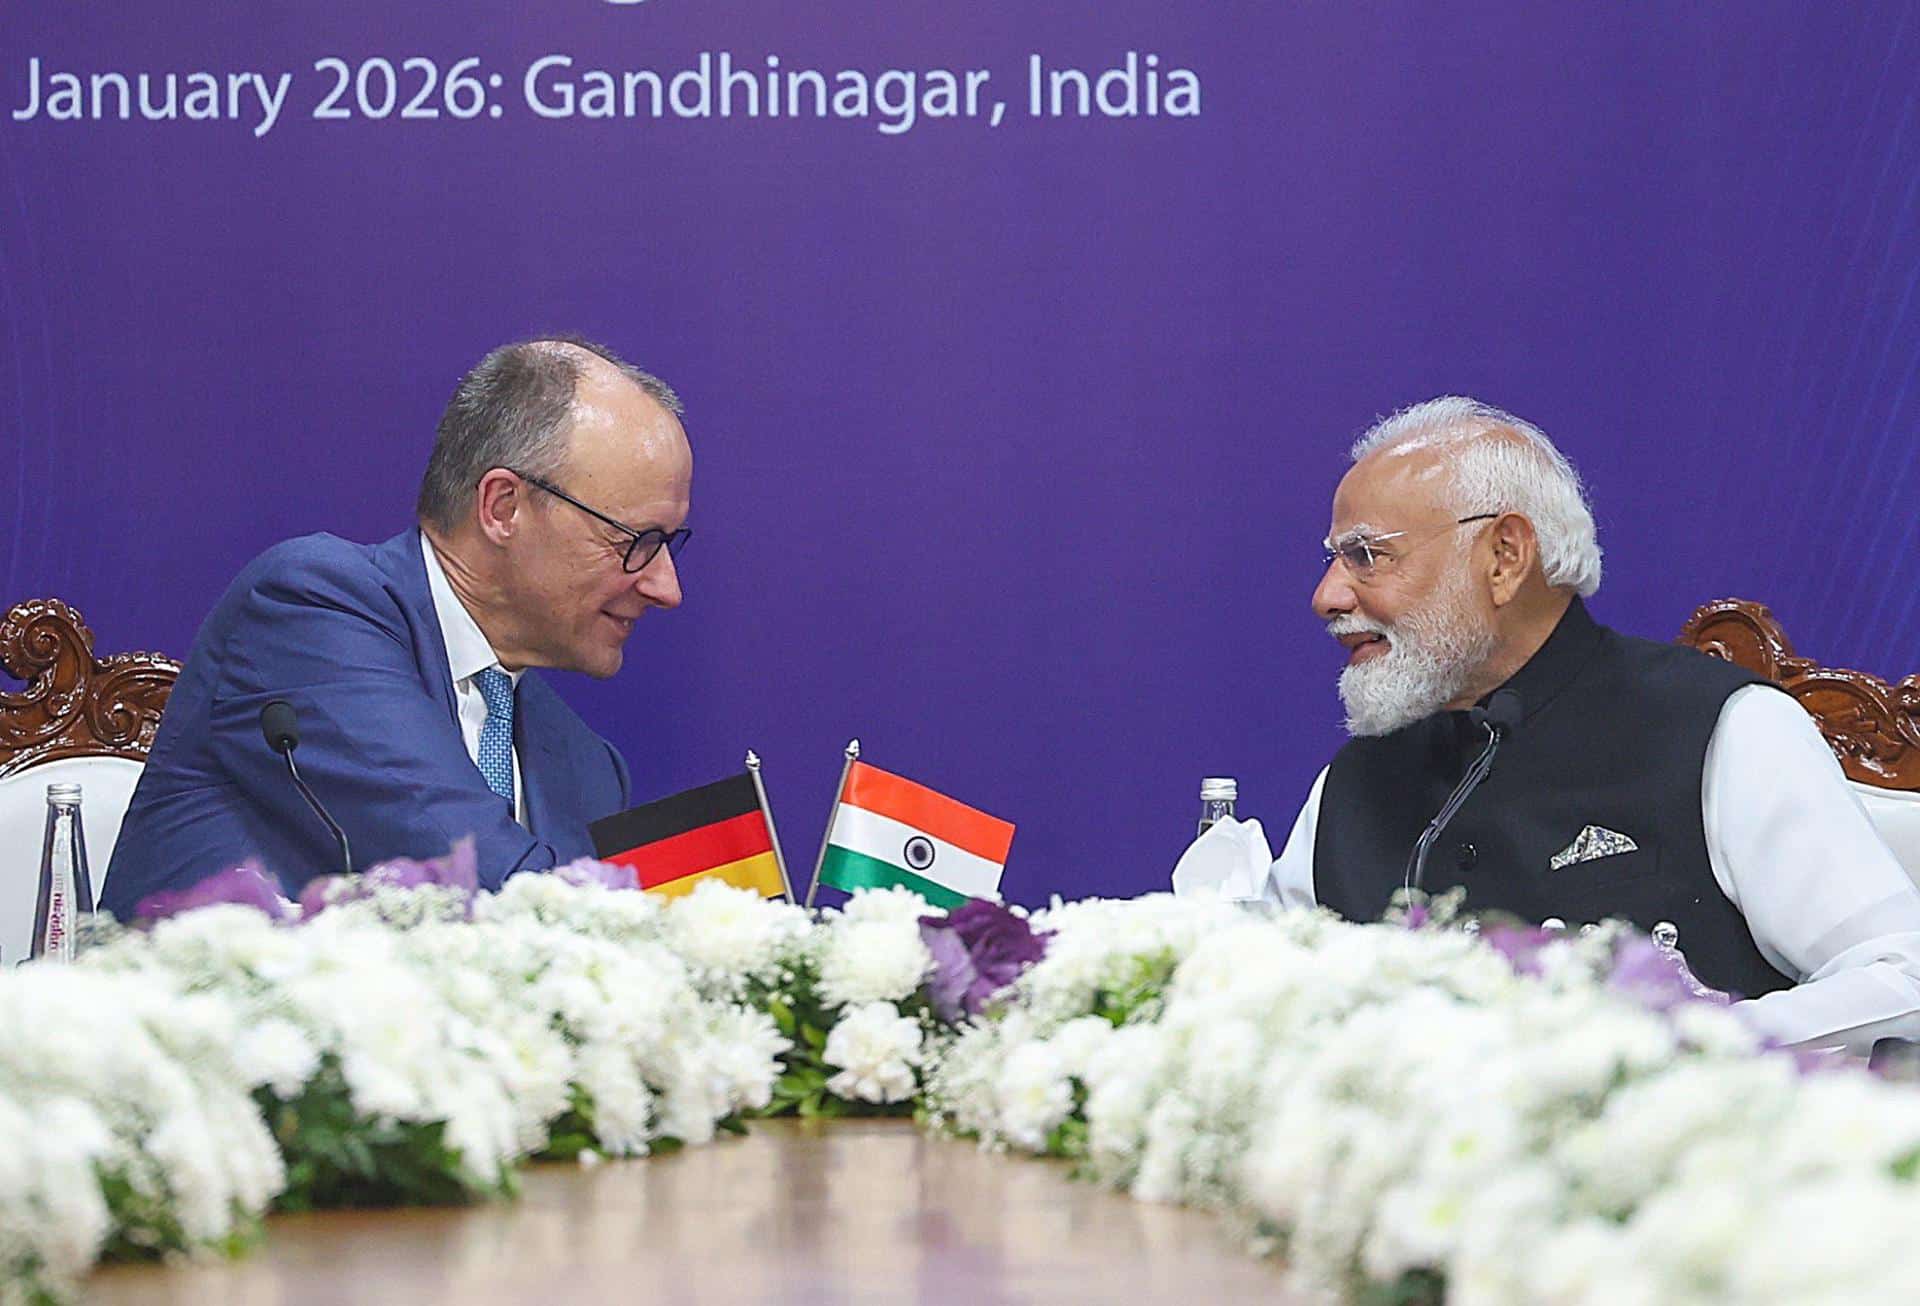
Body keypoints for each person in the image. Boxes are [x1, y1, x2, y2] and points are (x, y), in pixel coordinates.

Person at [1264, 395, 1920, 1054]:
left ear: (1503, 557)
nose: (1328, 596)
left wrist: (1678, 1052)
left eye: (1367, 556)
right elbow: (1259, 987)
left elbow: (1900, 972)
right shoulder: (1353, 782)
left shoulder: (1721, 730)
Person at [101, 337, 689, 912]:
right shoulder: (309, 610)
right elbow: (484, 892)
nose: (666, 588)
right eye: (637, 541)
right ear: (503, 508)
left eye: (670, 545)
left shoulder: (590, 769)